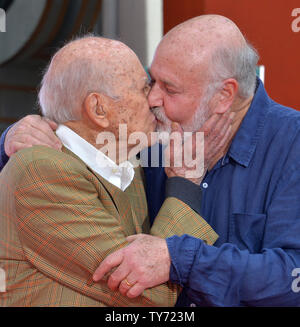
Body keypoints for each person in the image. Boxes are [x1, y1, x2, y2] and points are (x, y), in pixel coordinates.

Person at [1, 14, 300, 306]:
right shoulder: (147, 141)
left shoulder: (291, 144)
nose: (153, 99)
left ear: (224, 95)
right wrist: (12, 141)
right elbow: (72, 150)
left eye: (168, 88)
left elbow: (293, 278)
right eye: (150, 81)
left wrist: (180, 258)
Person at [0, 35, 222, 306]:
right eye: (143, 88)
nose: (154, 98)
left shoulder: (128, 167)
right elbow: (152, 293)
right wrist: (185, 185)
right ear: (98, 109)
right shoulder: (42, 171)